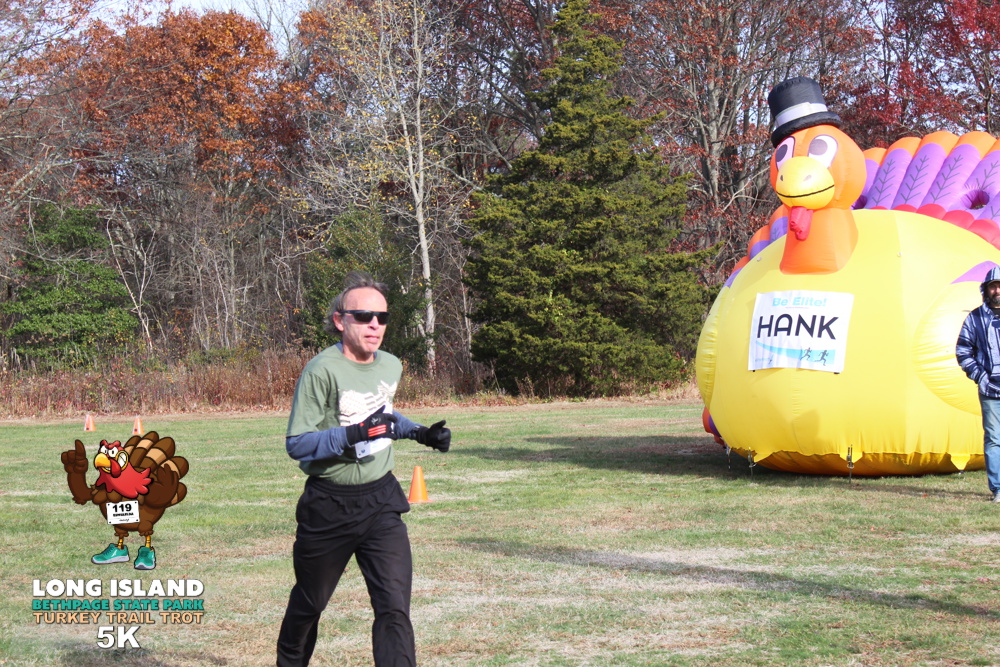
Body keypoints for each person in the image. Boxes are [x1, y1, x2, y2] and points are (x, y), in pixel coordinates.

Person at [276, 271, 451, 666]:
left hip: (381, 500)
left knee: (394, 607)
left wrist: (420, 433)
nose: (375, 325)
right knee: (310, 603)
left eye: (382, 317)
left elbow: (383, 418)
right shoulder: (320, 370)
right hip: (329, 505)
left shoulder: (390, 365)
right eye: (364, 316)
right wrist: (352, 434)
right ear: (340, 320)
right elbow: (297, 444)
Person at [957, 265, 1000, 502]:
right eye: (993, 286)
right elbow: (963, 351)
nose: (997, 291)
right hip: (991, 390)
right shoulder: (975, 318)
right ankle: (998, 488)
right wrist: (980, 377)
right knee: (994, 439)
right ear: (986, 290)